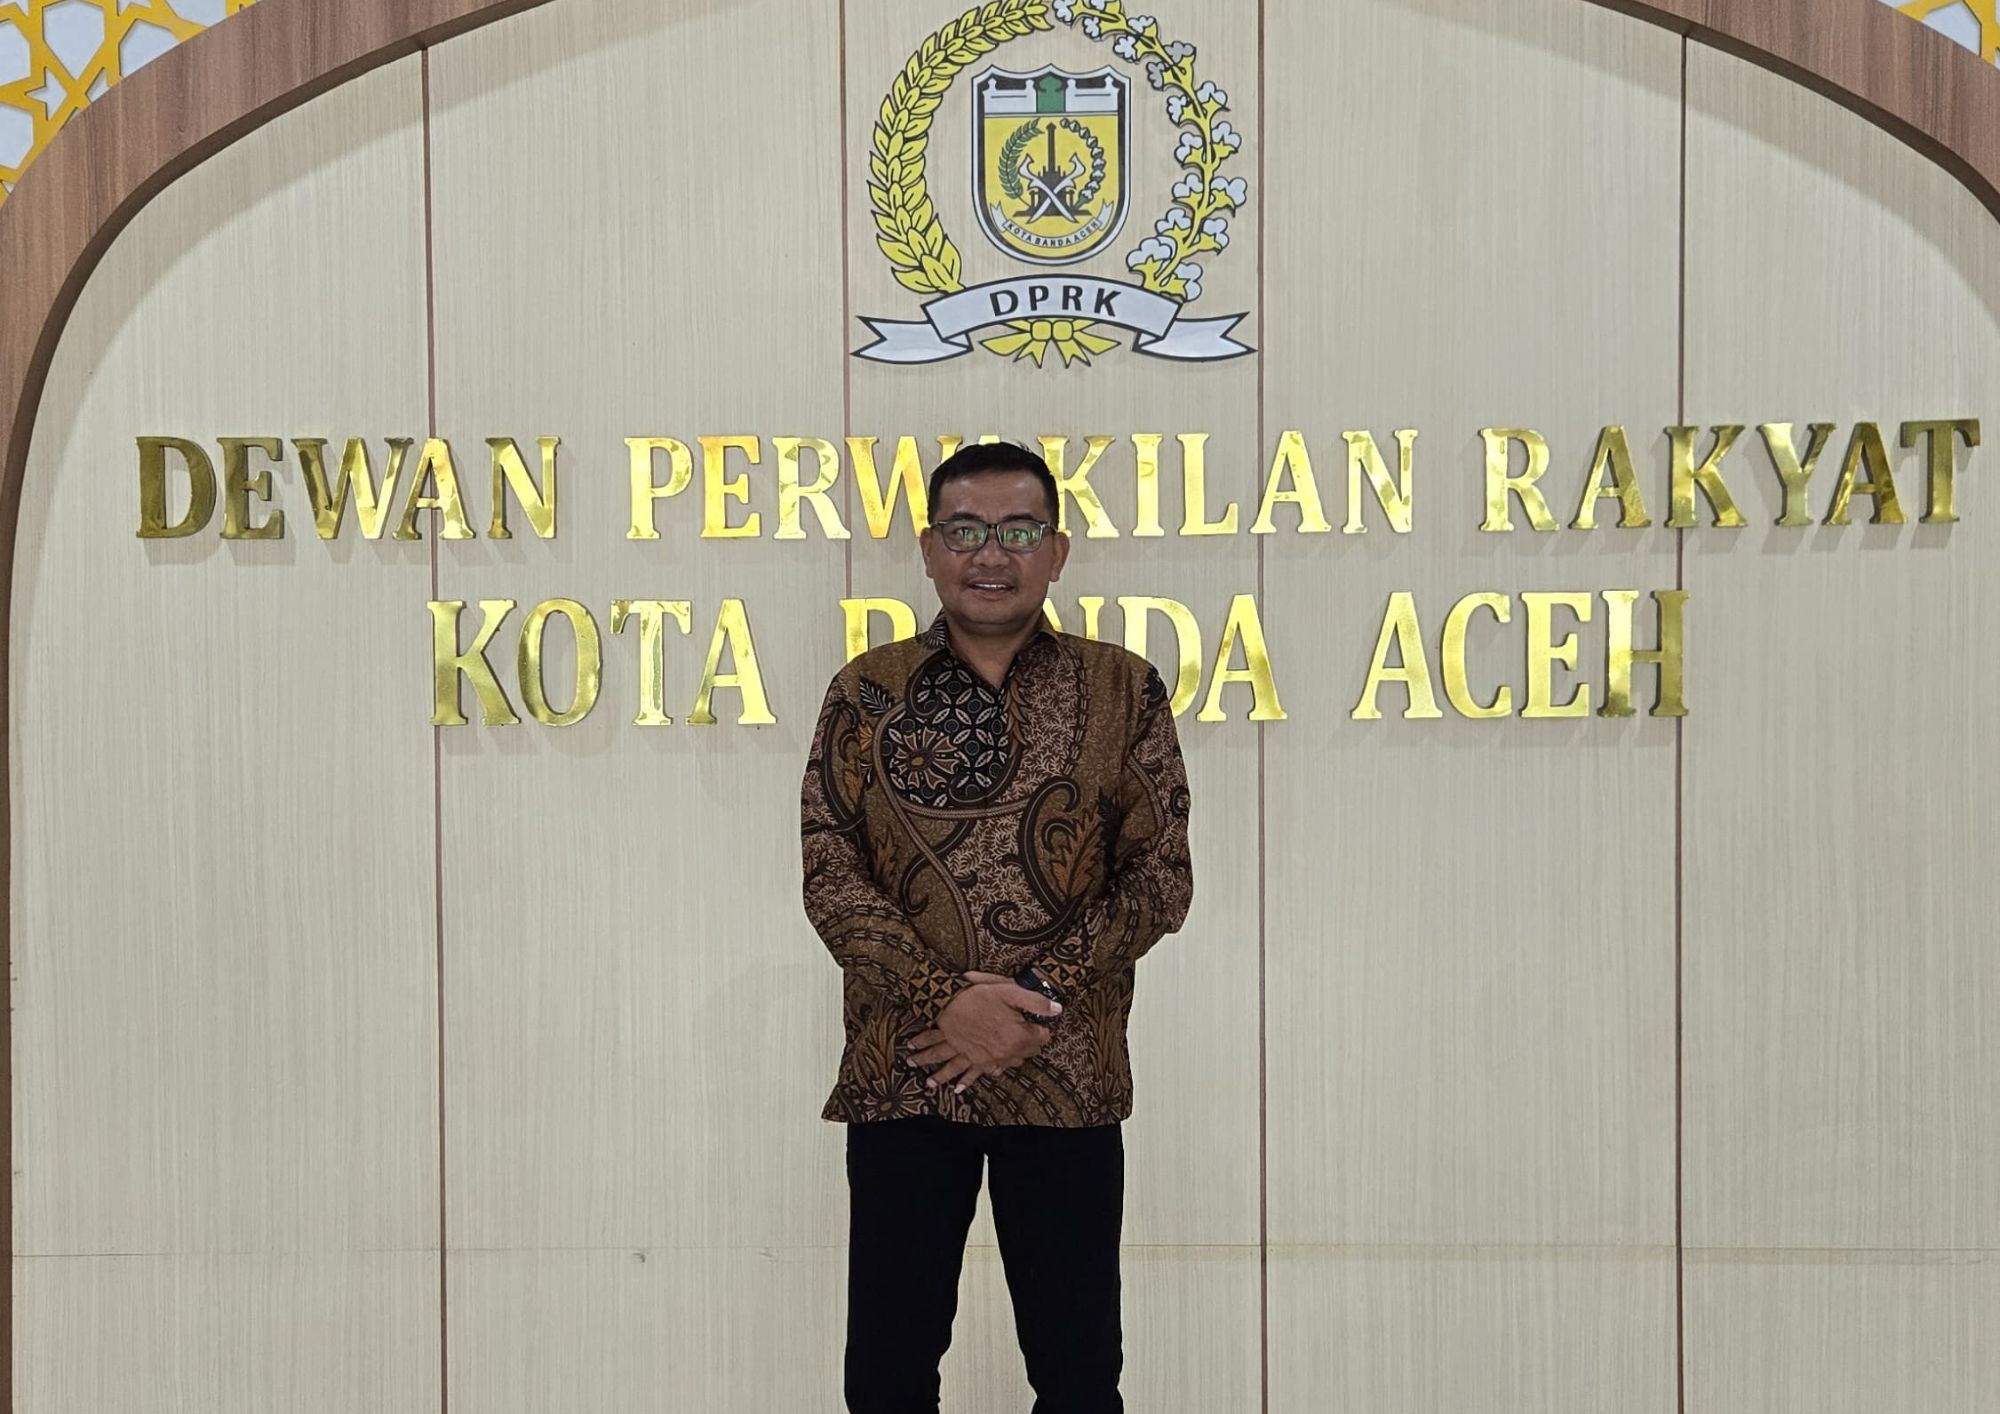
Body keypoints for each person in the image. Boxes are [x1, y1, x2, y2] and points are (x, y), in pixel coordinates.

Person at [800, 440, 1194, 1414]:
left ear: (1056, 551)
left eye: (1018, 531)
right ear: (930, 548)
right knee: (886, 1375)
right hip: (907, 1073)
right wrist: (946, 1002)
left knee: (1077, 1373)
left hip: (1066, 1075)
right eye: (967, 530)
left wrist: (1033, 999)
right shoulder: (867, 690)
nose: (991, 553)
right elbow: (832, 876)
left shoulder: (1122, 689)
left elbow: (1158, 877)